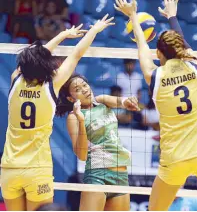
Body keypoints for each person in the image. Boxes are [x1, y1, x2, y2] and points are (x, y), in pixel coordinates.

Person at [114, 0, 197, 211]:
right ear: (182, 50)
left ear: (159, 54)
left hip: (174, 160)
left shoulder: (154, 76)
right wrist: (172, 16)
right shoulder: (195, 67)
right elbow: (183, 44)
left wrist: (133, 17)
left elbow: (142, 49)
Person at [1, 14, 114, 211]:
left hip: (9, 169)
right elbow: (77, 54)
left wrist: (61, 36)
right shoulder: (51, 85)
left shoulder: (15, 78)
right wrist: (93, 30)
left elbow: (35, 57)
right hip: (37, 169)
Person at [56, 74, 140, 211]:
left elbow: (121, 102)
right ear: (71, 98)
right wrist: (81, 120)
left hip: (121, 175)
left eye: (84, 84)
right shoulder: (73, 118)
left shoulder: (102, 101)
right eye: (77, 89)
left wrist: (129, 101)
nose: (84, 89)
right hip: (97, 174)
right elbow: (82, 155)